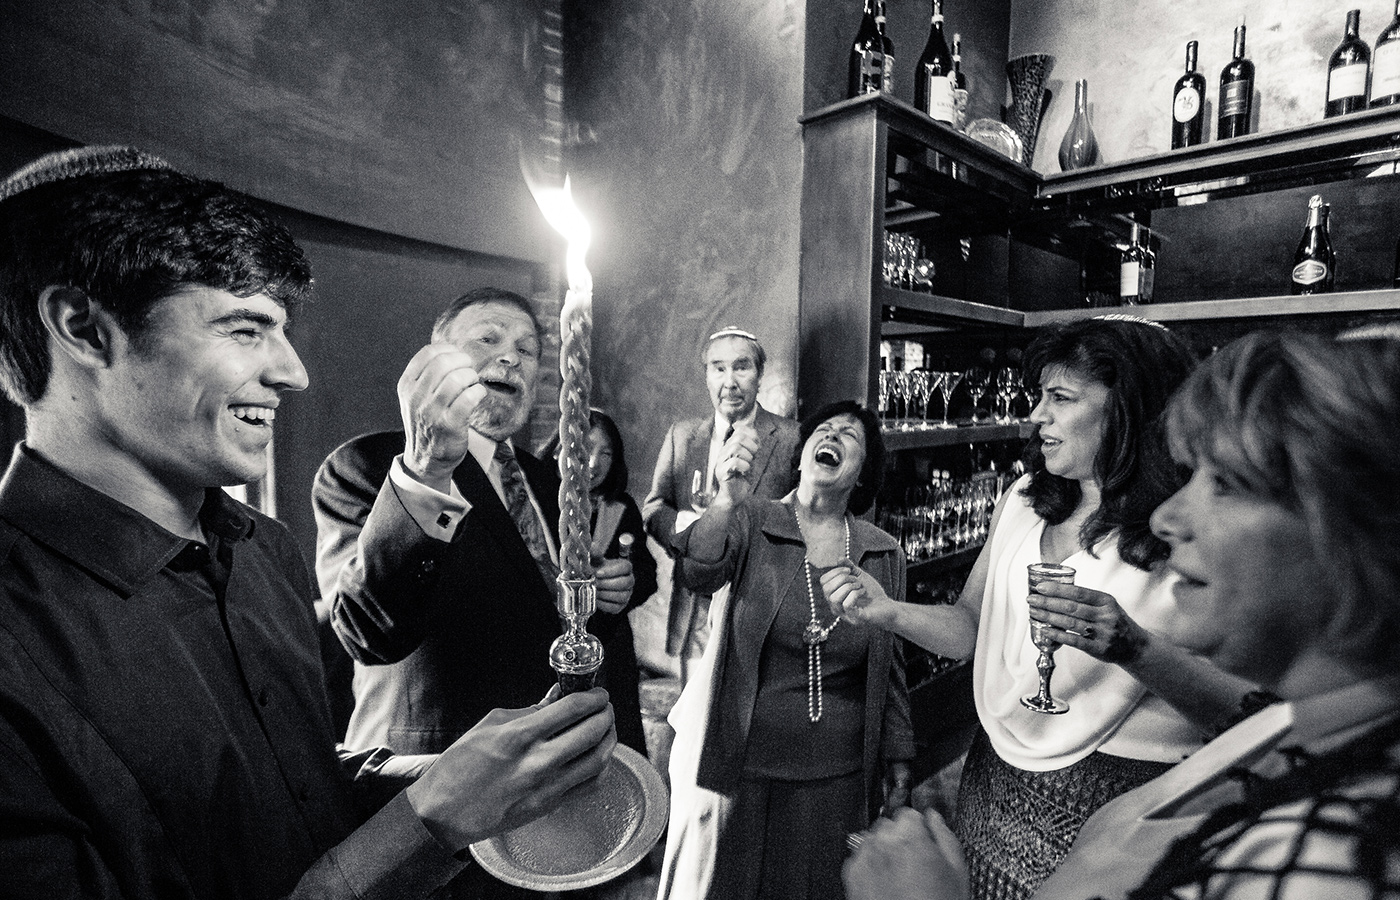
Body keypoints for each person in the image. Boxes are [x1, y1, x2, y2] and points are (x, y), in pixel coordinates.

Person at [0, 146, 616, 899]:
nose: (293, 372)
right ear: (85, 329)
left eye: (282, 329)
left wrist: (458, 776)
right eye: (245, 329)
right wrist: (427, 818)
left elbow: (295, 790)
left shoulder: (260, 550)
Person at [844, 329, 1400, 900]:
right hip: (1000, 774)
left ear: (1359, 532)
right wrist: (888, 611)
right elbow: (973, 625)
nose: (1169, 518)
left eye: (1227, 483)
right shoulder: (1286, 743)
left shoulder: (1334, 848)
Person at [312, 288, 646, 895]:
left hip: (547, 791)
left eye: (528, 349)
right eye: (488, 339)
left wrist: (607, 591)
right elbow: (365, 631)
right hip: (437, 790)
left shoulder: (550, 479)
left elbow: (548, 596)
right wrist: (424, 472)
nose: (510, 358)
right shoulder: (371, 466)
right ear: (435, 358)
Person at [657, 399, 914, 900]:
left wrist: (900, 766)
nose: (833, 436)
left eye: (850, 436)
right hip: (742, 770)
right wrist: (725, 500)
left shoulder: (882, 551)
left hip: (837, 779)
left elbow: (892, 671)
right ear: (801, 456)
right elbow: (699, 572)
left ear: (863, 474)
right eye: (824, 429)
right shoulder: (753, 518)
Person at [642, 326, 801, 676]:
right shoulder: (682, 436)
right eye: (718, 368)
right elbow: (654, 508)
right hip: (695, 611)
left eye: (741, 367)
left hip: (760, 608)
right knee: (694, 708)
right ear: (707, 376)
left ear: (759, 374)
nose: (730, 382)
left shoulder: (792, 438)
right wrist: (687, 532)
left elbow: (802, 522)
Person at [541, 407, 659, 751]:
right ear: (558, 449)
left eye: (605, 453)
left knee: (616, 746)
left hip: (609, 644)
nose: (594, 463)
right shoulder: (537, 499)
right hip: (549, 644)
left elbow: (647, 574)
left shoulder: (620, 506)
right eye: (584, 448)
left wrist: (623, 582)